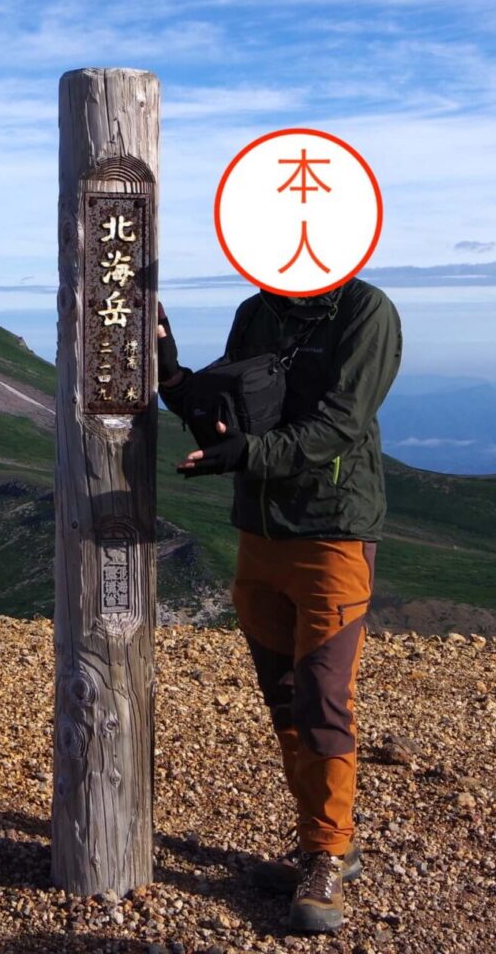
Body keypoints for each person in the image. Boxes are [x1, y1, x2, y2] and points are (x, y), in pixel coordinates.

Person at [156, 276, 401, 935]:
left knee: (323, 697)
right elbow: (234, 413)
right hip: (259, 535)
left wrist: (251, 454)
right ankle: (320, 841)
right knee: (286, 696)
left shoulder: (364, 311)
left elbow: (341, 424)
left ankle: (326, 855)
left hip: (333, 532)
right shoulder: (255, 312)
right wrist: (175, 379)